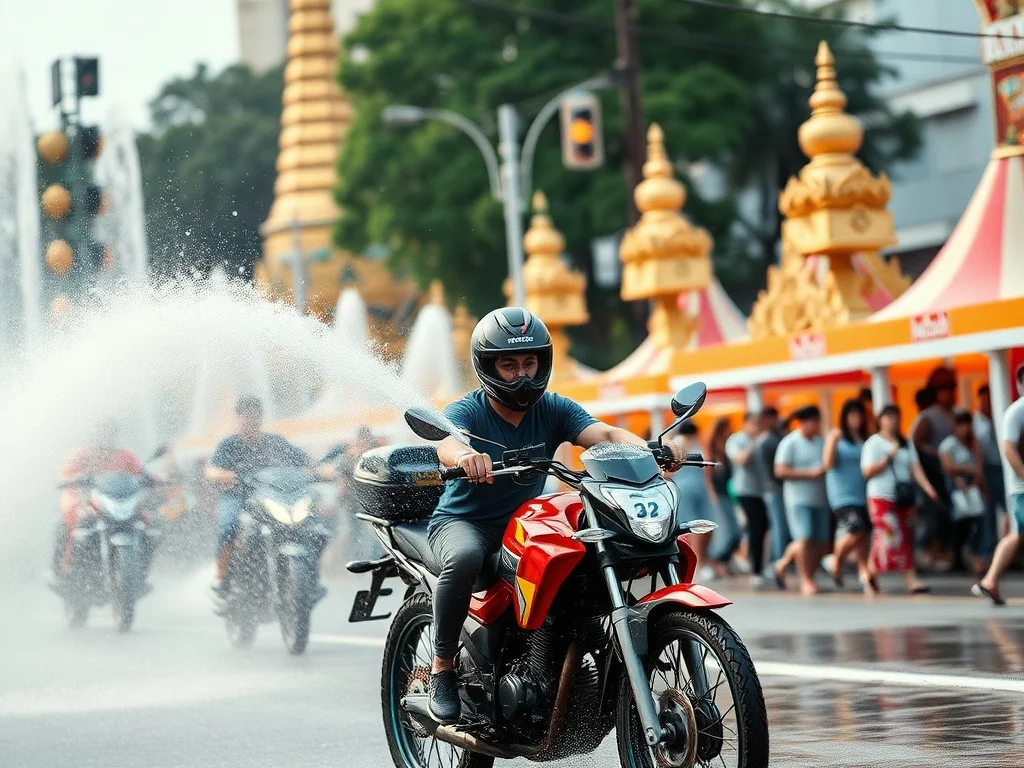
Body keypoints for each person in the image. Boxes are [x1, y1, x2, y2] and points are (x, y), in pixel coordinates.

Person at [425, 307, 684, 723]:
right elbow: (446, 443)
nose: (522, 375)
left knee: (580, 566)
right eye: (509, 366)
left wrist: (651, 448)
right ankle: (443, 668)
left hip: (526, 522)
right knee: (465, 559)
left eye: (530, 363)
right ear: (487, 367)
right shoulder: (469, 412)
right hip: (465, 523)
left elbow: (604, 433)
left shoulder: (552, 408)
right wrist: (468, 456)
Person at [204, 396, 331, 603]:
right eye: (246, 414)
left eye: (255, 413)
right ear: (238, 417)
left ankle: (310, 581)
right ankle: (221, 579)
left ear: (261, 416)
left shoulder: (275, 442)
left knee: (315, 530)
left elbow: (304, 459)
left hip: (273, 498)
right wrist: (221, 475)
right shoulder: (229, 445)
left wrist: (321, 468)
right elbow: (211, 470)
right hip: (239, 498)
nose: (251, 418)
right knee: (228, 528)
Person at [53, 422, 146, 583]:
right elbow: (64, 476)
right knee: (71, 523)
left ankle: (141, 570)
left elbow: (142, 472)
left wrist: (156, 479)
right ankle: (63, 568)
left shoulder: (125, 455)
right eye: (102, 435)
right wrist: (76, 478)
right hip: (89, 503)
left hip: (117, 503)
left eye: (109, 435)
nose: (105, 439)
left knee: (147, 524)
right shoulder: (81, 454)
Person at [862, 404, 937, 594]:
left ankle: (871, 573)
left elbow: (915, 468)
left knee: (903, 535)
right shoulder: (874, 443)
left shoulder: (905, 443)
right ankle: (909, 579)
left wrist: (928, 488)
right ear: (880, 420)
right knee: (891, 534)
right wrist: (887, 458)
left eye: (895, 417)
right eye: (888, 417)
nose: (892, 421)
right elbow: (867, 471)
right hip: (880, 496)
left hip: (903, 498)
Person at [973, 363, 1024, 606]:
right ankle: (989, 579)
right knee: (1016, 534)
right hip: (1022, 488)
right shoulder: (1017, 411)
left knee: (1017, 535)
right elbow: (1008, 447)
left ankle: (989, 581)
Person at [772, 406, 830, 596]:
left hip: (819, 498)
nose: (816, 426)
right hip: (797, 499)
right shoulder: (790, 443)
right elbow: (780, 470)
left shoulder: (820, 442)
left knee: (819, 542)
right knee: (804, 538)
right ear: (804, 423)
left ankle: (783, 564)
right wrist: (809, 474)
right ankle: (805, 578)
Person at [824, 398, 873, 594]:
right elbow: (827, 464)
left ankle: (864, 574)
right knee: (856, 529)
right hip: (843, 495)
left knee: (863, 536)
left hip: (863, 493)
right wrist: (832, 441)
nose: (856, 419)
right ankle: (834, 560)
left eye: (859, 414)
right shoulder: (837, 436)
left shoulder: (864, 439)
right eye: (852, 414)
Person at [912, 368, 958, 569]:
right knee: (933, 515)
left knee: (951, 515)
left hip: (953, 474)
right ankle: (930, 552)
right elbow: (916, 443)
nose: (949, 392)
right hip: (934, 474)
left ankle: (948, 553)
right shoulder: (929, 416)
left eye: (952, 387)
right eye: (943, 388)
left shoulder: (957, 413)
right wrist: (935, 454)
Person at [938, 409, 988, 573]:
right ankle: (956, 557)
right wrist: (966, 470)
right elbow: (948, 467)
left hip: (972, 486)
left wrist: (976, 481)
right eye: (961, 424)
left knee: (978, 521)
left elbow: (979, 467)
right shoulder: (948, 445)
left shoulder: (974, 443)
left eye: (967, 424)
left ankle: (977, 557)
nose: (964, 428)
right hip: (955, 487)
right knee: (959, 524)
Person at [726, 412, 769, 585]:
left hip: (759, 490)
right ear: (745, 424)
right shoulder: (737, 440)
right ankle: (755, 569)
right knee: (756, 527)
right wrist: (753, 442)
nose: (756, 428)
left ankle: (758, 566)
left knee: (762, 526)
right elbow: (741, 459)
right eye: (753, 424)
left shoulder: (761, 441)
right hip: (743, 490)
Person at [706, 417, 744, 578]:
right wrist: (712, 496)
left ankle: (724, 561)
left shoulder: (725, 447)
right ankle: (716, 561)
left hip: (728, 493)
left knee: (736, 530)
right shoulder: (712, 449)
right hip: (719, 495)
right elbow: (707, 476)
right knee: (728, 531)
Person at [757, 406, 790, 573]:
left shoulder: (771, 438)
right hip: (774, 489)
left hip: (772, 489)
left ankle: (777, 562)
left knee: (778, 528)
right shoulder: (767, 440)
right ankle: (776, 564)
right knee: (779, 528)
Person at [975, 384, 1005, 567]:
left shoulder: (1001, 419)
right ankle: (986, 555)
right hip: (986, 470)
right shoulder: (975, 423)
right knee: (988, 514)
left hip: (1002, 468)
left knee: (1010, 511)